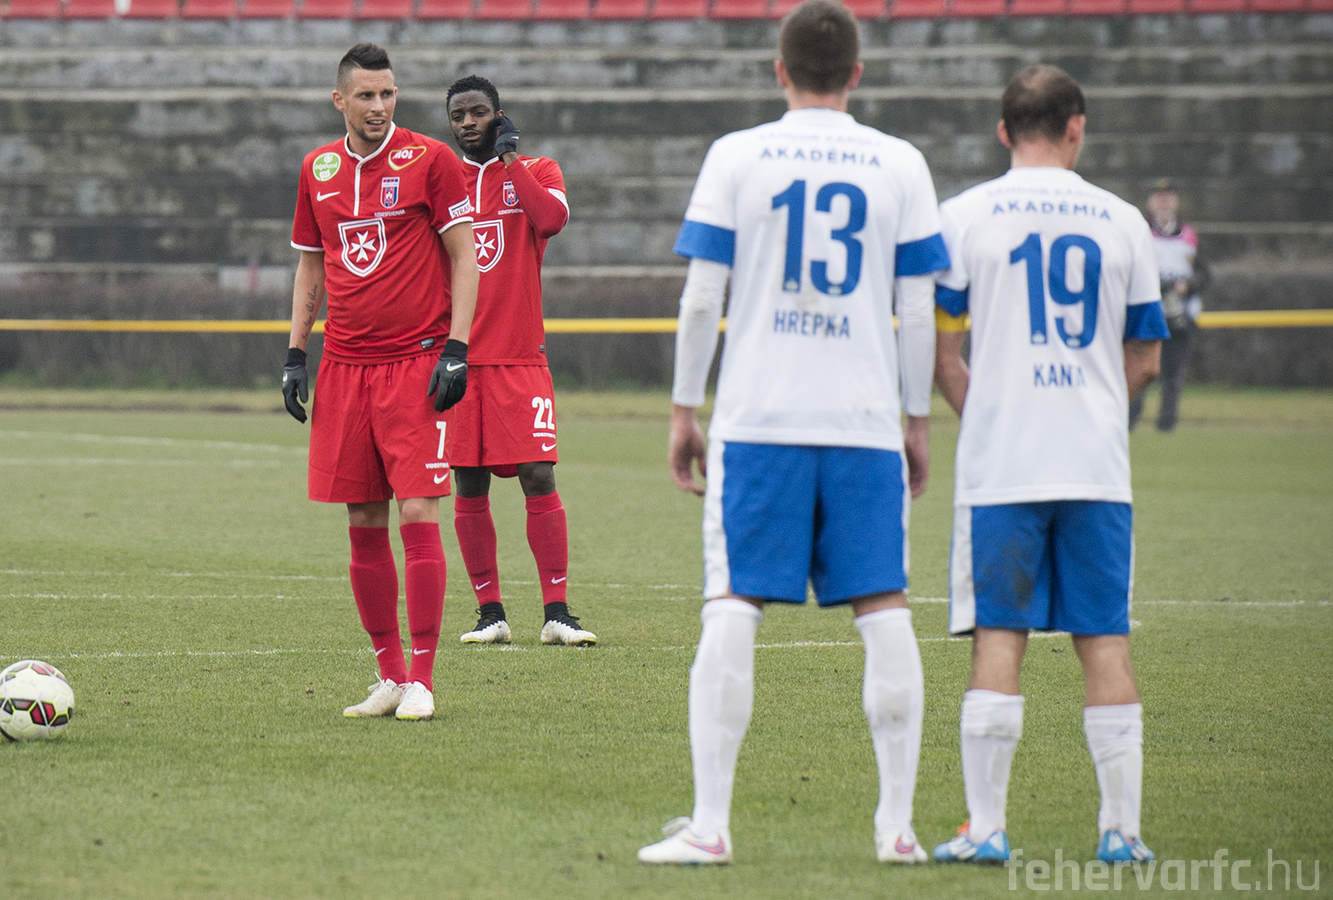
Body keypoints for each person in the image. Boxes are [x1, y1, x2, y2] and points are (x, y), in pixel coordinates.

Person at [638, 0, 946, 866]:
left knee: (734, 602)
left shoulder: (737, 155)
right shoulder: (901, 162)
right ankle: (897, 829)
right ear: (856, 73)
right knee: (883, 603)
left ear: (780, 71)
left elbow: (702, 296)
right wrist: (916, 418)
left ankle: (711, 825)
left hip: (760, 419)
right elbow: (918, 307)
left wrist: (683, 409)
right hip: (862, 421)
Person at [928, 64, 1167, 866]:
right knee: (1105, 640)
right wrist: (1092, 409)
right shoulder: (1125, 221)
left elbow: (943, 353)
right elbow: (1146, 356)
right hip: (1096, 467)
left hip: (1004, 467)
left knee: (999, 636)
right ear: (1077, 128)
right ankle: (1122, 832)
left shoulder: (964, 217)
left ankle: (986, 828)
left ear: (1003, 131)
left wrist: (992, 414)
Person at [282, 42, 479, 723]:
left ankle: (422, 679)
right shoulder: (318, 169)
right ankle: (389, 676)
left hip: (415, 363)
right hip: (344, 368)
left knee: (418, 511)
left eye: (388, 94)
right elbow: (311, 267)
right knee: (363, 521)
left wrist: (457, 348)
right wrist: (295, 353)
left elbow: (465, 257)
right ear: (340, 100)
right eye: (365, 95)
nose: (378, 106)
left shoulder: (431, 160)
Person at [442, 75, 597, 648]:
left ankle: (557, 613)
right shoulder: (442, 180)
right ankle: (490, 614)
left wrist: (510, 161)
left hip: (520, 358)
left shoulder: (538, 170)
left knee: (538, 474)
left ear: (499, 115)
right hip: (459, 358)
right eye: (458, 114)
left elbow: (550, 221)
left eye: (478, 112)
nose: (467, 122)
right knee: (468, 482)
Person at [1128, 179, 1209, 432]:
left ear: (1175, 202)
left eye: (1168, 197)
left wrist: (1188, 286)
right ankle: (1129, 421)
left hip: (1180, 316)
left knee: (1173, 375)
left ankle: (1166, 425)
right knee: (1141, 369)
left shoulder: (1189, 235)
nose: (1164, 202)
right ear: (1150, 203)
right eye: (1159, 197)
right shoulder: (1139, 232)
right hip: (1148, 314)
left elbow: (1205, 274)